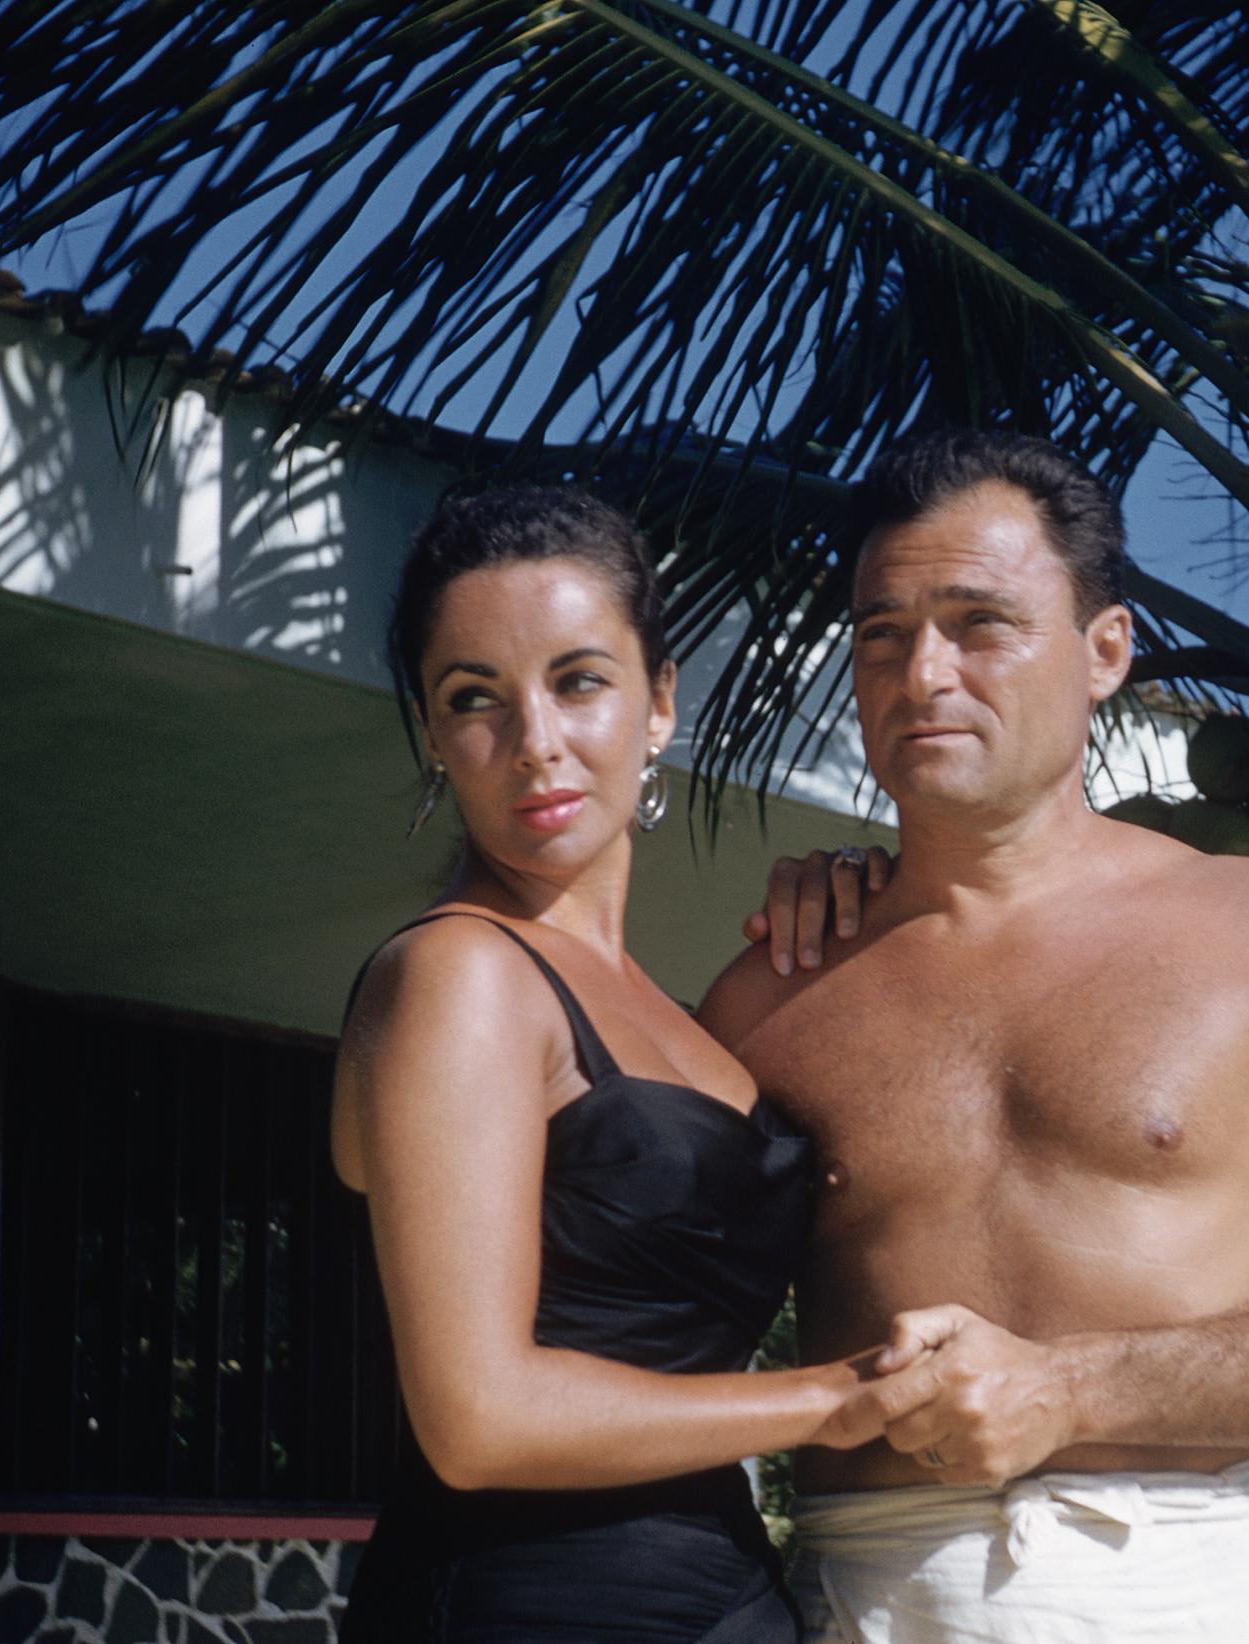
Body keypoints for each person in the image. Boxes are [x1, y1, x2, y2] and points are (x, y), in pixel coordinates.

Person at [699, 430, 1249, 1643]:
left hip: (1189, 1585)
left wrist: (1066, 1388)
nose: (923, 675)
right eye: (882, 634)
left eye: (979, 625)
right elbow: (653, 1346)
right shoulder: (771, 993)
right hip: (872, 1596)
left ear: (1105, 651)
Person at [330, 486, 912, 1643]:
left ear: (661, 703)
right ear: (433, 736)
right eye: (474, 698)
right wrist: (835, 1399)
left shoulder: (685, 1019)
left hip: (724, 1599)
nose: (536, 741)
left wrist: (873, 902)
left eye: (579, 681)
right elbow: (477, 1419)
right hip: (524, 1607)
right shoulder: (459, 975)